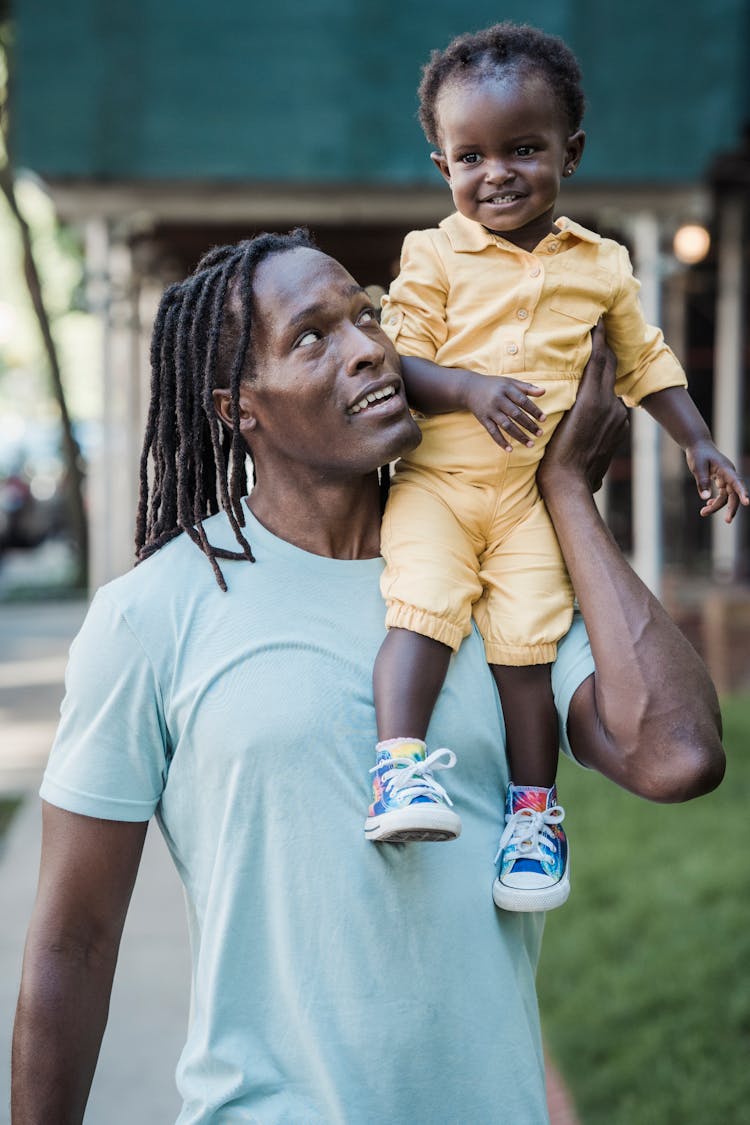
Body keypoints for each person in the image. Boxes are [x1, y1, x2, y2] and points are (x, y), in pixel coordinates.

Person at [12, 231, 725, 1125]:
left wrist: (568, 495)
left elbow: (679, 755)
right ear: (240, 409)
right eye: (311, 338)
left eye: (367, 314)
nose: (367, 348)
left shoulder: (504, 581)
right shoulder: (151, 617)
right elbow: (74, 941)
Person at [367, 23, 747, 913]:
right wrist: (465, 387)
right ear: (442, 167)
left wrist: (697, 439)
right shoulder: (434, 254)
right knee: (420, 614)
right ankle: (399, 767)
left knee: (526, 654)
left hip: (533, 504)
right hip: (442, 488)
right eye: (471, 157)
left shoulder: (603, 264)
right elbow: (398, 360)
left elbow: (644, 359)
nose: (495, 173)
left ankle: (533, 816)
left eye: (523, 150)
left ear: (570, 155)